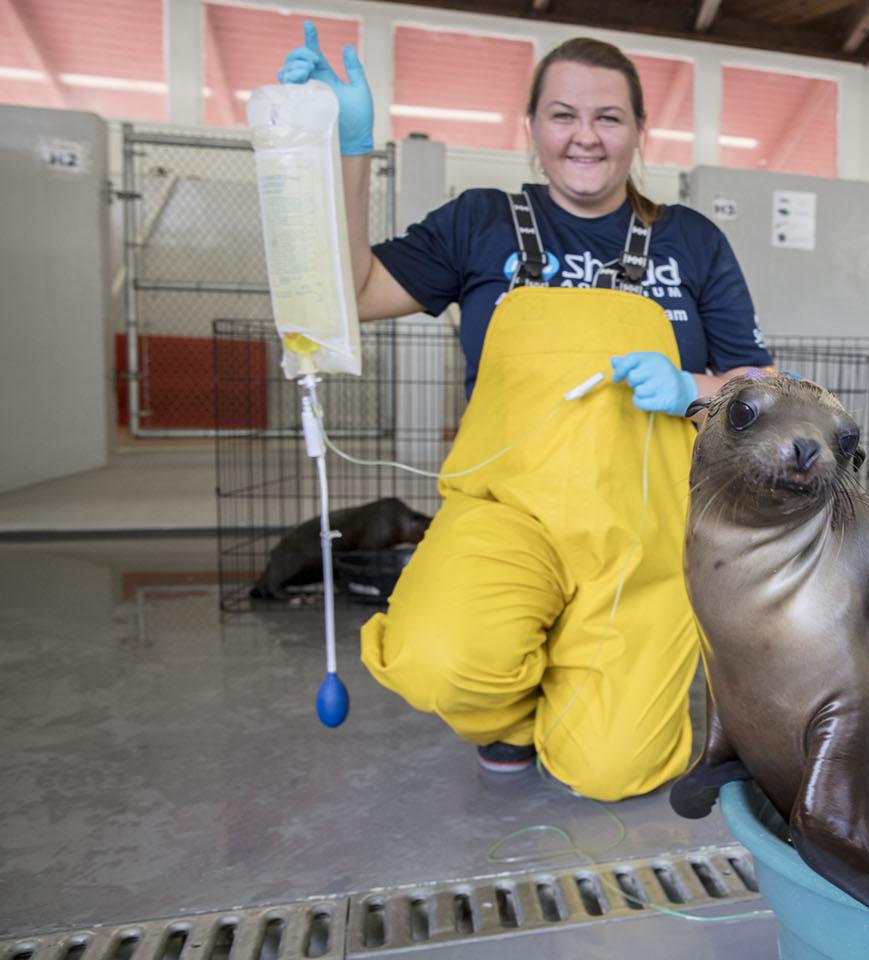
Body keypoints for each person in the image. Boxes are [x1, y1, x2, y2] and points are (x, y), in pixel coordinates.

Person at [277, 25, 774, 802]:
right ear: (533, 126)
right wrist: (344, 151)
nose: (586, 136)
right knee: (439, 654)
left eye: (609, 117)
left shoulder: (691, 241)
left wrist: (691, 387)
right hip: (510, 511)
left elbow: (759, 385)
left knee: (615, 769)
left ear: (641, 132)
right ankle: (511, 716)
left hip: (647, 531)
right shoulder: (479, 221)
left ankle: (579, 705)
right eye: (563, 114)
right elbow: (355, 293)